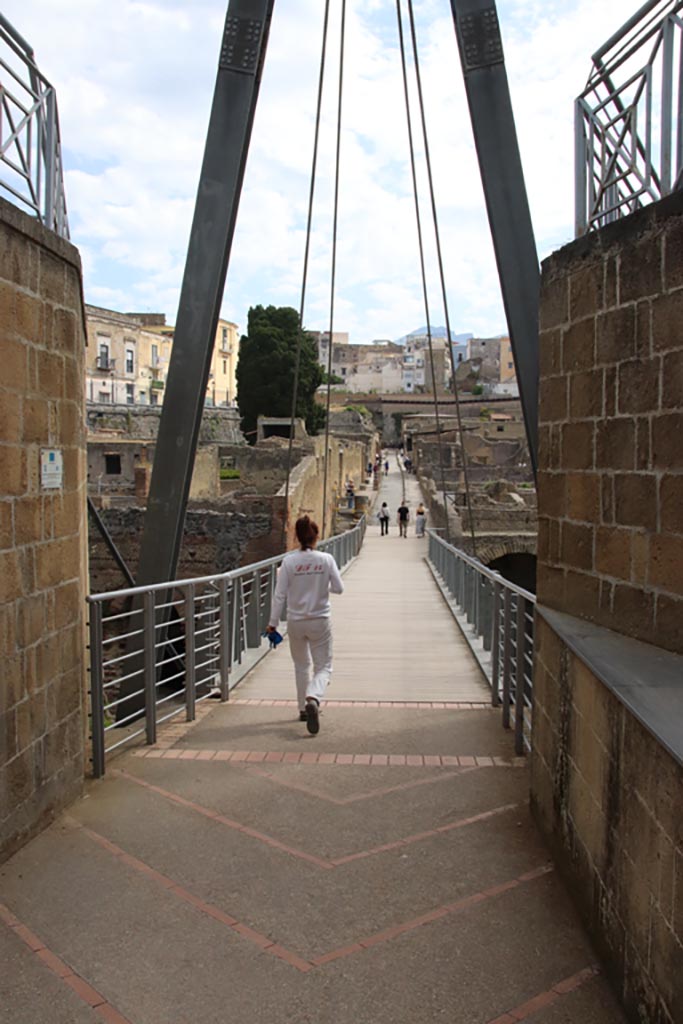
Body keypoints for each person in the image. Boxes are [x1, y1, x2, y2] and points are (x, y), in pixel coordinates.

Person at [267, 516, 344, 734]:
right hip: (320, 619)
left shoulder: (289, 562)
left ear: (297, 536)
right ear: (316, 536)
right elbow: (339, 588)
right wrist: (319, 587)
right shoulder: (326, 559)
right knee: (324, 666)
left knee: (301, 665)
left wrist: (273, 623)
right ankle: (314, 697)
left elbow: (279, 595)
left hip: (295, 620)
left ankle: (302, 708)